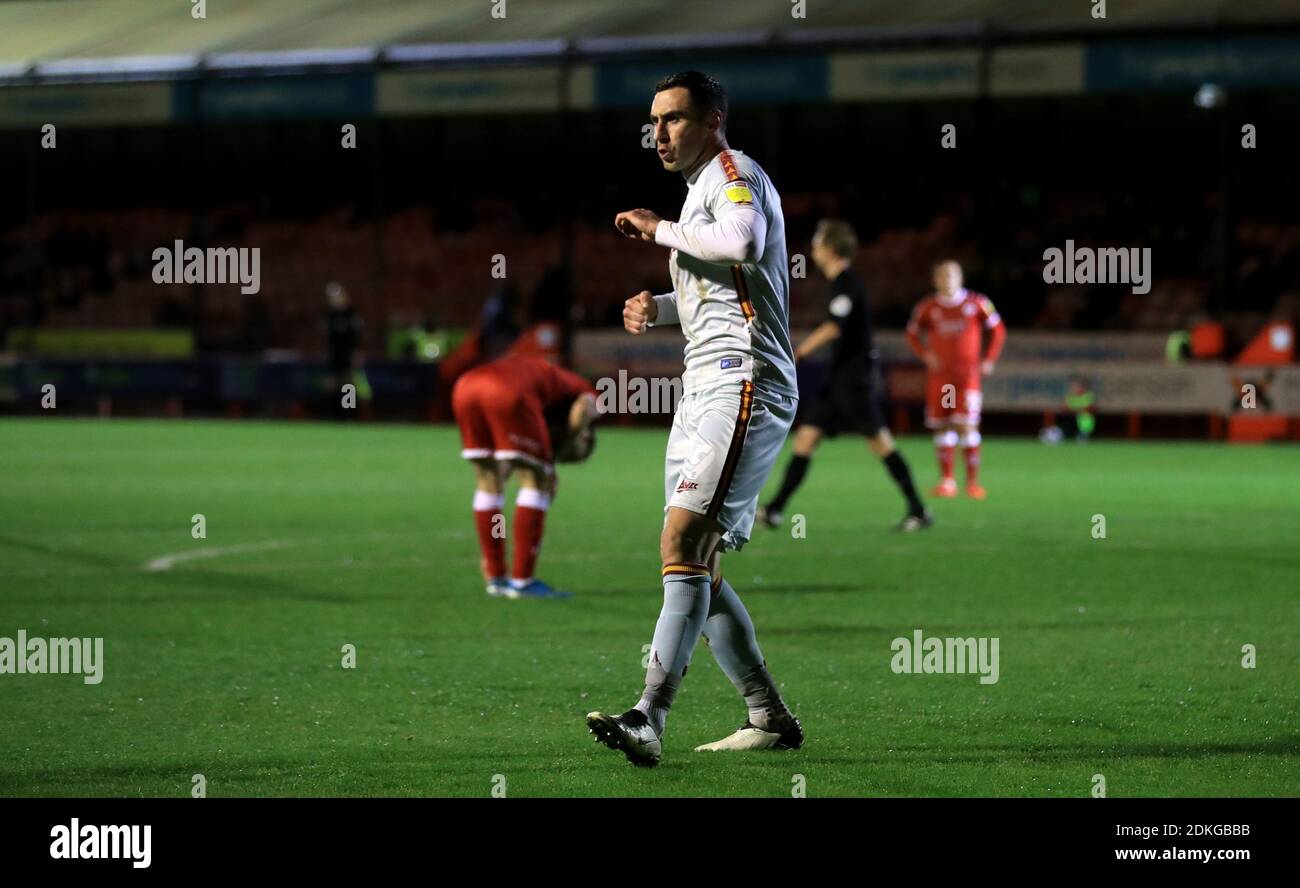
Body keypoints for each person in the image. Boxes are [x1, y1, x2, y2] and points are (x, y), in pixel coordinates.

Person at [585, 71, 803, 766]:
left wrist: (657, 232)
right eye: (652, 122)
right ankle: (767, 715)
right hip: (703, 386)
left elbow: (741, 242)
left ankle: (649, 715)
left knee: (682, 541)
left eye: (674, 119)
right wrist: (662, 303)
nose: (659, 134)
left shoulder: (732, 174)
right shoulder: (698, 190)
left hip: (746, 383)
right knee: (694, 561)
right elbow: (734, 283)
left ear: (713, 121)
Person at [759, 219, 931, 532]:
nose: (812, 249)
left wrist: (797, 352)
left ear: (830, 248)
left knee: (881, 443)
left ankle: (918, 510)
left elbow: (833, 327)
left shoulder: (847, 284)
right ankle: (775, 509)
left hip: (854, 381)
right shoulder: (839, 284)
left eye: (817, 242)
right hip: (837, 379)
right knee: (806, 438)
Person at [451, 354, 598, 599]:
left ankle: (496, 574)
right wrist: (550, 464)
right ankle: (522, 581)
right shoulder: (584, 389)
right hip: (507, 391)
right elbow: (582, 411)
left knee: (489, 481)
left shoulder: (546, 379)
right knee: (536, 483)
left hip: (466, 385)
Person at [905, 261, 1006, 499]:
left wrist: (989, 358)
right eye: (942, 276)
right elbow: (912, 333)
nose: (946, 280)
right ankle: (947, 481)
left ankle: (972, 482)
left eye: (951, 275)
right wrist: (925, 354)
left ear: (960, 278)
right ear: (935, 280)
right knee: (943, 425)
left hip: (967, 377)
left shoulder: (976, 303)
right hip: (941, 379)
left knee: (967, 425)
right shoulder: (928, 307)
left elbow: (999, 330)